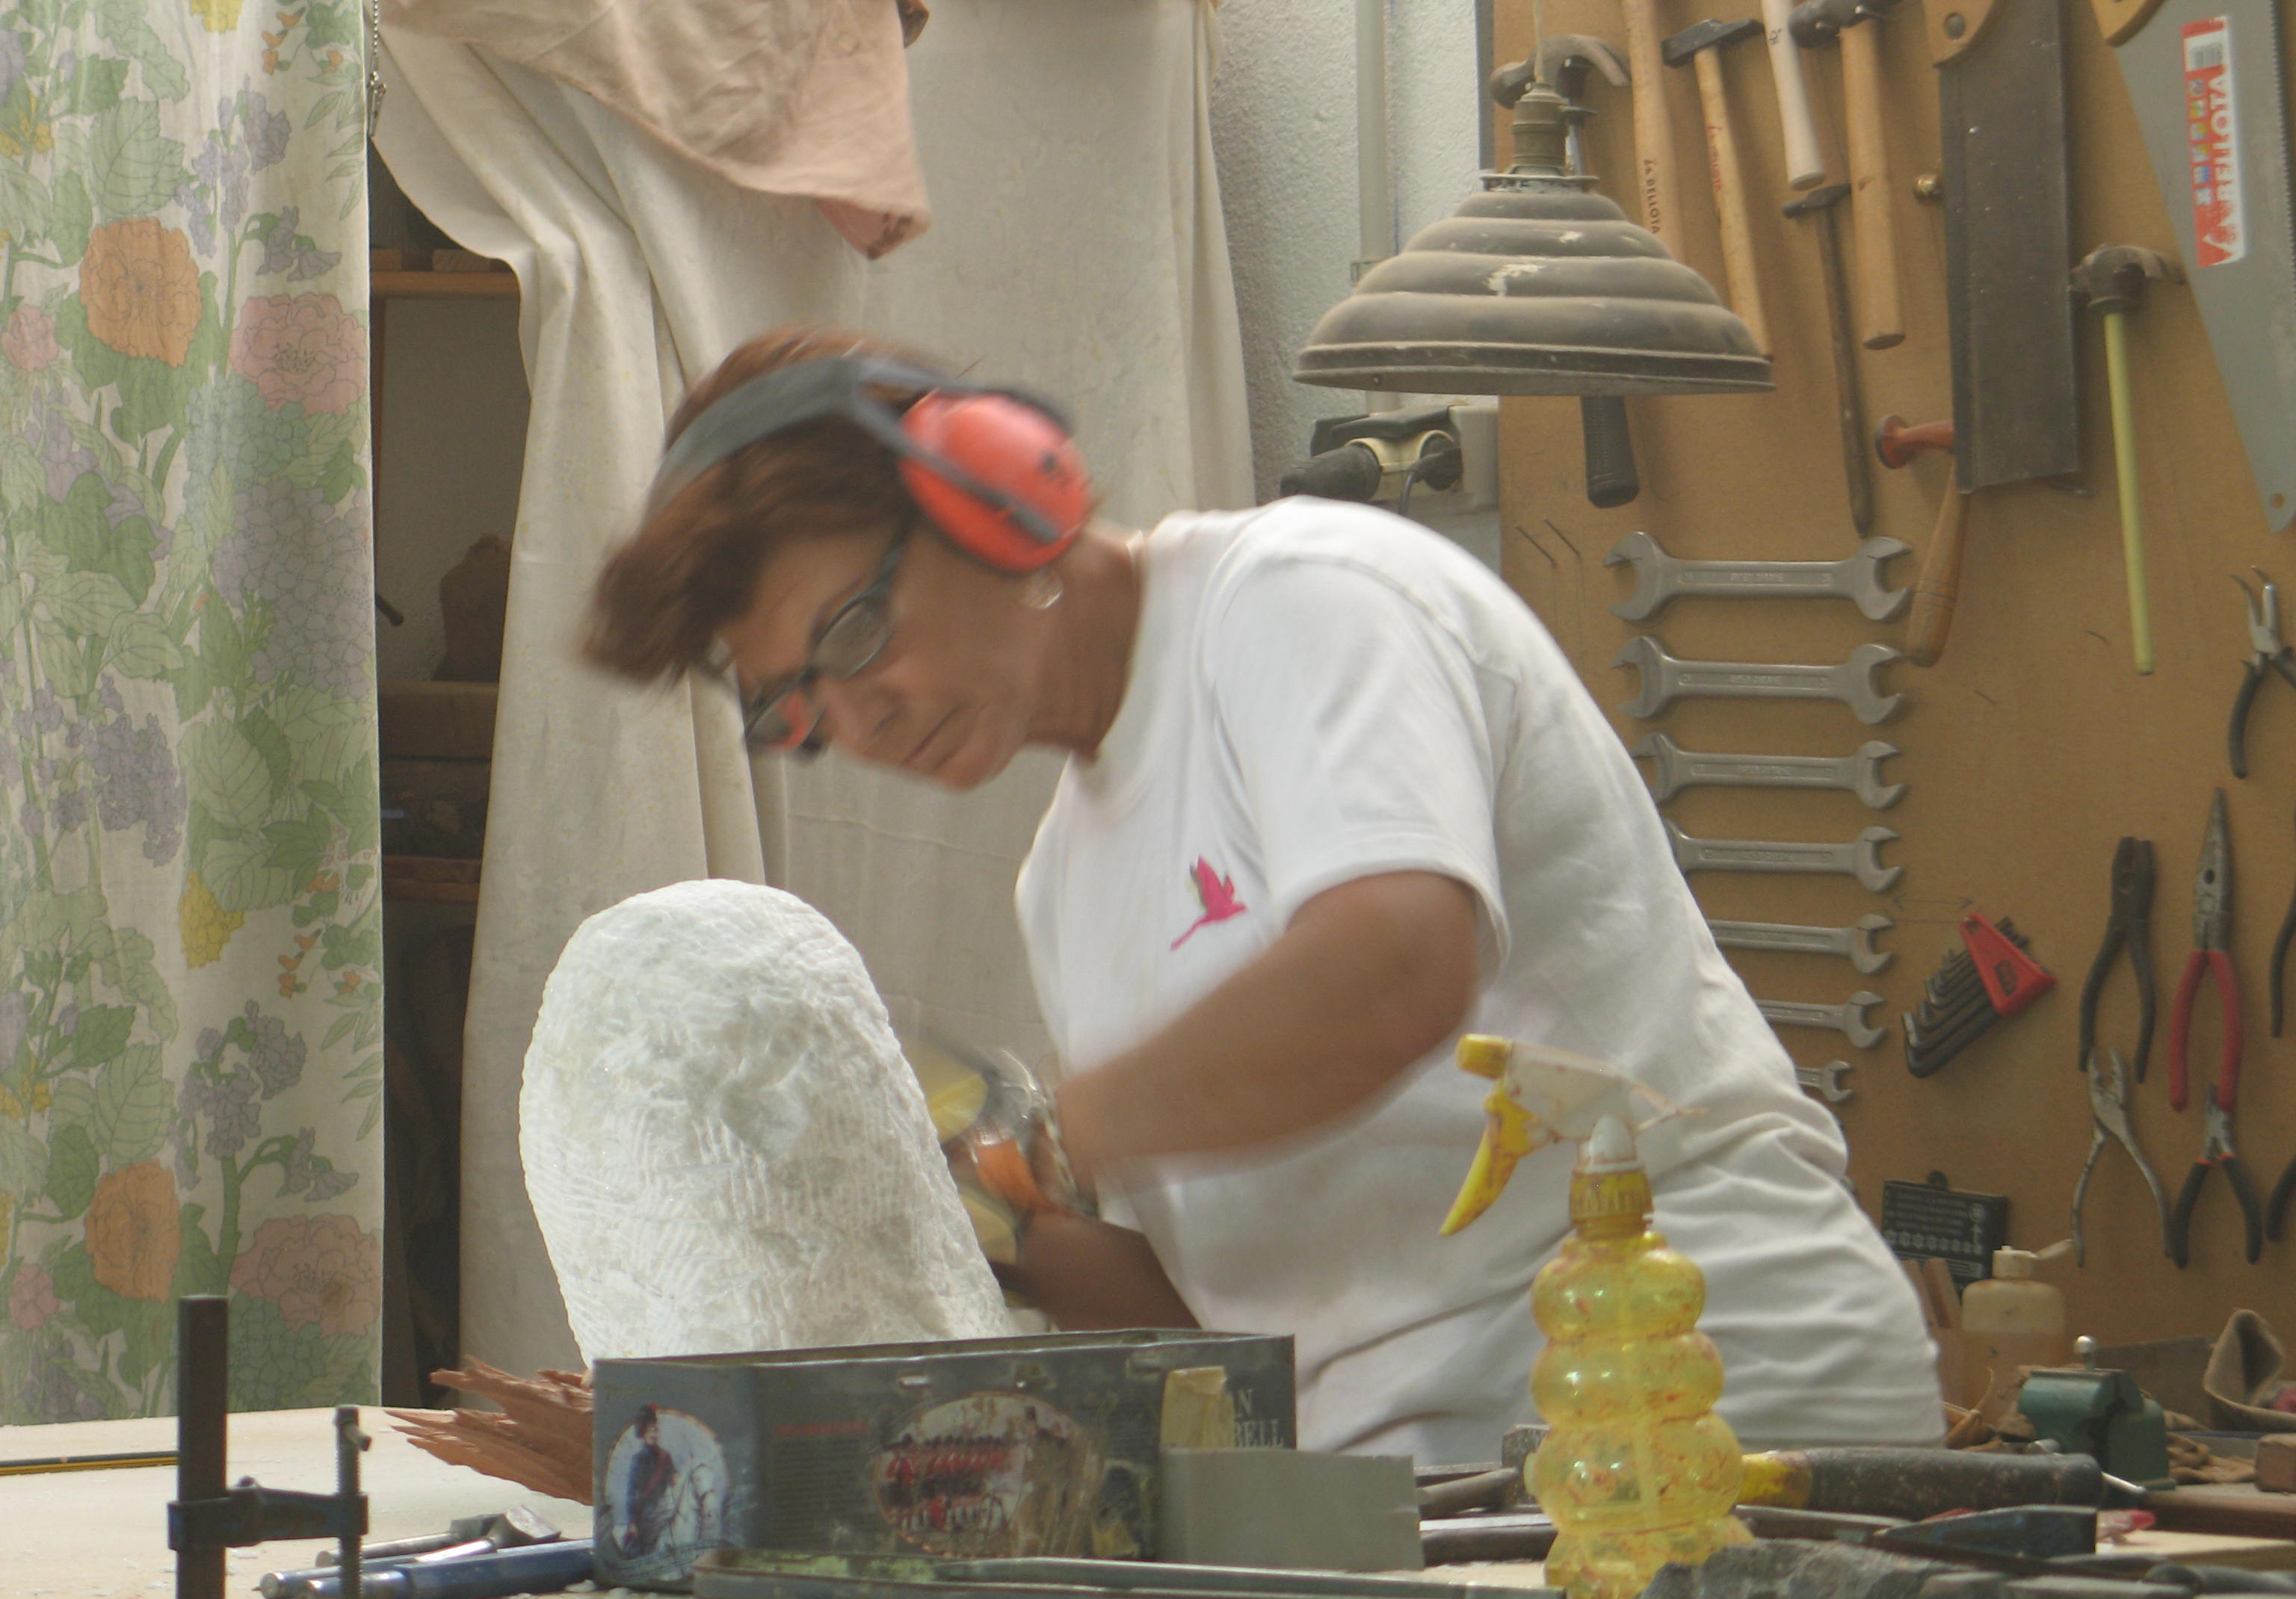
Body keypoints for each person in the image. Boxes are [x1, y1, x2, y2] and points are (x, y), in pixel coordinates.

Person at [584, 327, 1942, 1462]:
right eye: (800, 711)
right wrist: (981, 1229)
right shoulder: (1063, 882)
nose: (861, 721)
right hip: (1433, 1487)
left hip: (1713, 1407)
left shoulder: (1302, 598)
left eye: (855, 636)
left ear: (998, 496)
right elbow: (1229, 1315)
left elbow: (1396, 969)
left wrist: (1051, 1141)